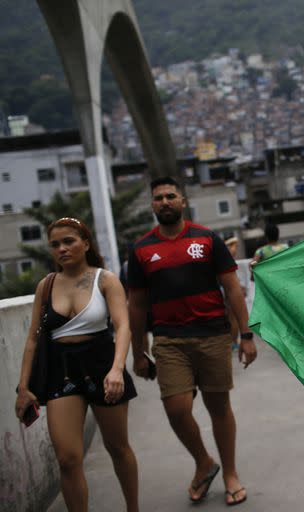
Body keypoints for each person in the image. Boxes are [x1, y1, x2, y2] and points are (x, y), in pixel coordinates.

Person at [127, 177, 256, 506]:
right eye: (158, 198)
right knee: (176, 408)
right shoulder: (141, 249)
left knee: (218, 408)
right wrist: (138, 353)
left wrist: (246, 335)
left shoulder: (207, 239)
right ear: (152, 205)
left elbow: (233, 290)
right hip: (169, 341)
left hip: (212, 336)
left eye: (171, 196)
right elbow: (137, 305)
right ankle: (203, 462)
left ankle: (229, 473)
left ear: (183, 201)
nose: (165, 202)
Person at [14, 217, 138, 512]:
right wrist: (24, 386)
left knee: (118, 447)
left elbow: (123, 326)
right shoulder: (46, 285)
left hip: (102, 363)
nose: (62, 249)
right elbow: (33, 339)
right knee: (68, 458)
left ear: (85, 243)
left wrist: (117, 369)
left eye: (68, 241)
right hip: (61, 370)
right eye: (55, 244)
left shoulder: (105, 279)